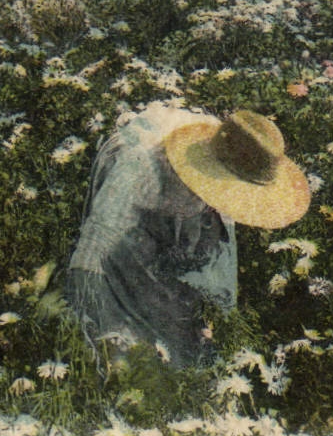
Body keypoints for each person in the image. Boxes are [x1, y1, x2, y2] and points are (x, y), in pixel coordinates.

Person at [66, 104, 310, 367]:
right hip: (135, 210)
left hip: (183, 207)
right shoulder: (142, 166)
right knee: (123, 311)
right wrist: (91, 314)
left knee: (196, 311)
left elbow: (216, 258)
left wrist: (211, 316)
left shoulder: (236, 159)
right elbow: (97, 244)